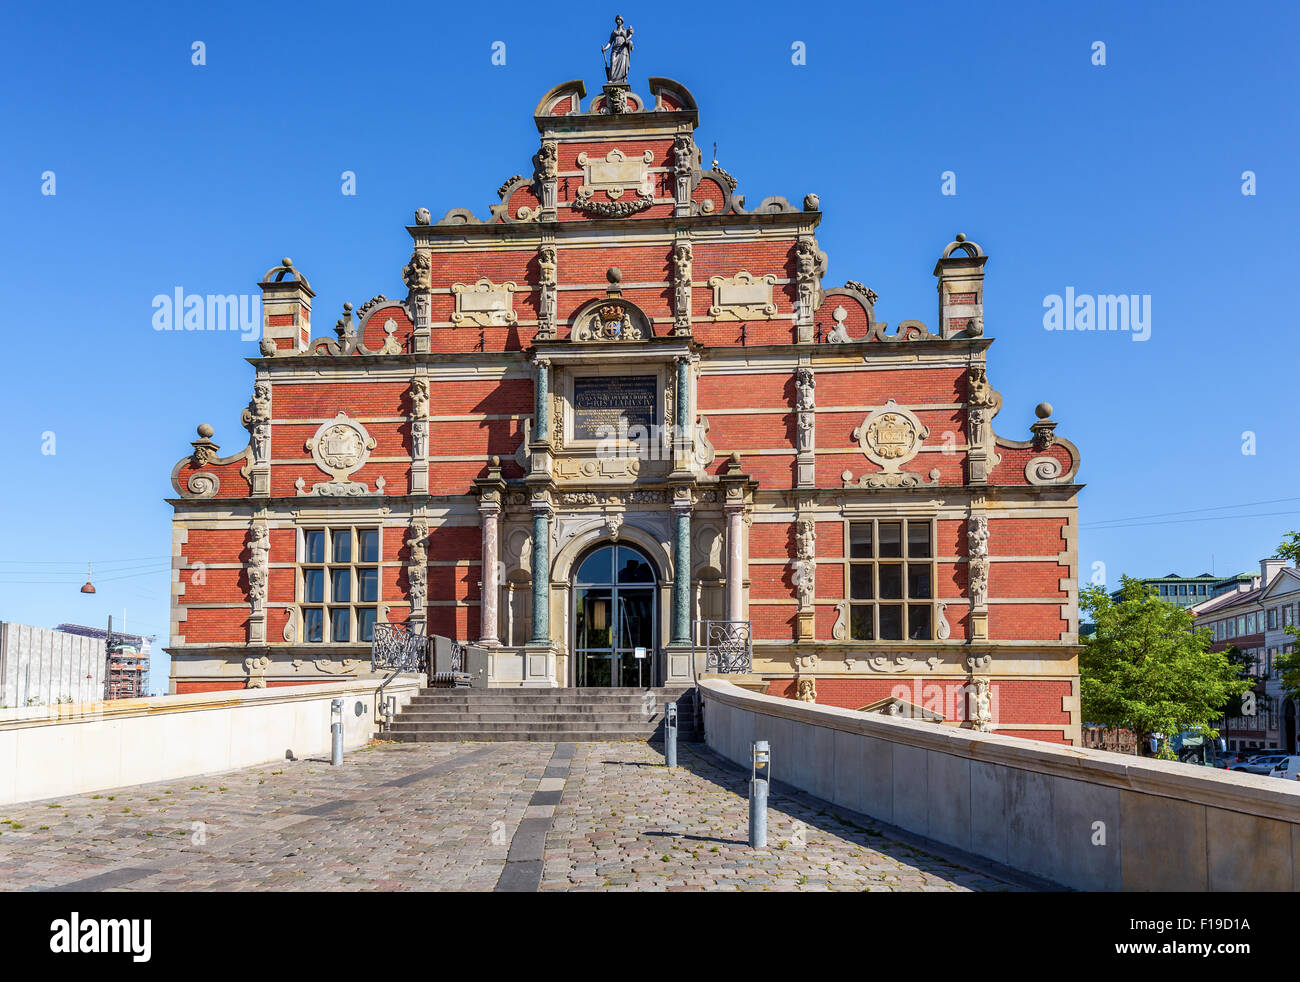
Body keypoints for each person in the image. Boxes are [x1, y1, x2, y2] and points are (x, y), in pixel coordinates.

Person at [602, 16, 634, 84]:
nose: (618, 21)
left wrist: (629, 34)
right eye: (617, 20)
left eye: (619, 20)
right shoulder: (614, 31)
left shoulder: (625, 31)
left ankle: (621, 80)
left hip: (622, 50)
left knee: (622, 65)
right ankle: (612, 79)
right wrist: (605, 48)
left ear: (622, 21)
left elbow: (628, 39)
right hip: (615, 49)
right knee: (613, 63)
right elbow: (610, 42)